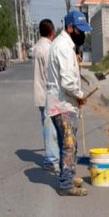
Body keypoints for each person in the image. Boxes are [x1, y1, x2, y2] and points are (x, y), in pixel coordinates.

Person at [46, 10, 92, 196]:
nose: (83, 35)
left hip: (62, 103)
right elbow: (67, 82)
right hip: (63, 105)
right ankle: (66, 185)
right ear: (70, 28)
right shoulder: (63, 47)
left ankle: (68, 175)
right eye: (80, 31)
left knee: (67, 144)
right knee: (69, 145)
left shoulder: (63, 44)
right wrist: (80, 95)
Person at [32, 19, 60, 173]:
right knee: (51, 129)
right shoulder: (48, 49)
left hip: (41, 93)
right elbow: (51, 72)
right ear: (52, 31)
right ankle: (51, 160)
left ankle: (51, 156)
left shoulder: (37, 47)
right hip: (48, 93)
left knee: (47, 126)